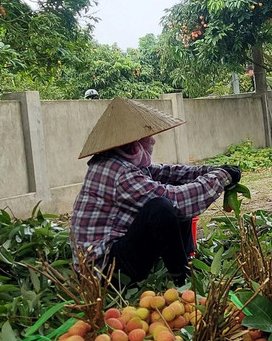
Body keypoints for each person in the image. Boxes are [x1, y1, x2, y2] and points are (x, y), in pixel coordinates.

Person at [69, 98, 242, 284]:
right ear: (132, 144)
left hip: (114, 254)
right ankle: (182, 277)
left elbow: (170, 173)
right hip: (103, 272)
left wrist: (212, 170)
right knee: (162, 208)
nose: (152, 141)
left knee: (174, 198)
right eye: (145, 138)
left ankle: (187, 262)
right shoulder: (117, 172)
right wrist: (221, 177)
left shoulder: (120, 161)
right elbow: (178, 201)